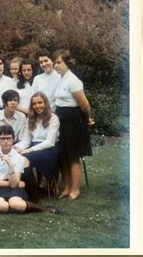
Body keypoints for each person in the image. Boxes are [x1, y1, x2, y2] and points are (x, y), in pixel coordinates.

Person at [0, 125, 62, 214]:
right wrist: (16, 183)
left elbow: (14, 183)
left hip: (13, 187)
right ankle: (5, 206)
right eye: (2, 138)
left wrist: (10, 165)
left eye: (8, 138)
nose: (6, 141)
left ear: (13, 139)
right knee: (1, 206)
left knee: (18, 205)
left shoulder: (18, 157)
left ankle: (40, 208)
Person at [53, 49, 94, 200]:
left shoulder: (73, 80)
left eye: (59, 62)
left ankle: (75, 190)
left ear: (67, 63)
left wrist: (88, 118)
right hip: (61, 121)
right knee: (63, 155)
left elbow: (85, 105)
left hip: (73, 121)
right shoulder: (61, 78)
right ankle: (67, 187)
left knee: (73, 156)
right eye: (55, 63)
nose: (56, 66)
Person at [15, 92, 60, 183]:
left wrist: (30, 150)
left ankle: (33, 190)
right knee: (15, 156)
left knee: (23, 159)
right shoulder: (30, 118)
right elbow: (26, 139)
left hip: (49, 149)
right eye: (34, 104)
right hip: (34, 147)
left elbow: (50, 142)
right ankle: (26, 187)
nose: (37, 106)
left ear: (45, 103)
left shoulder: (53, 118)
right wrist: (19, 148)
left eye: (40, 102)